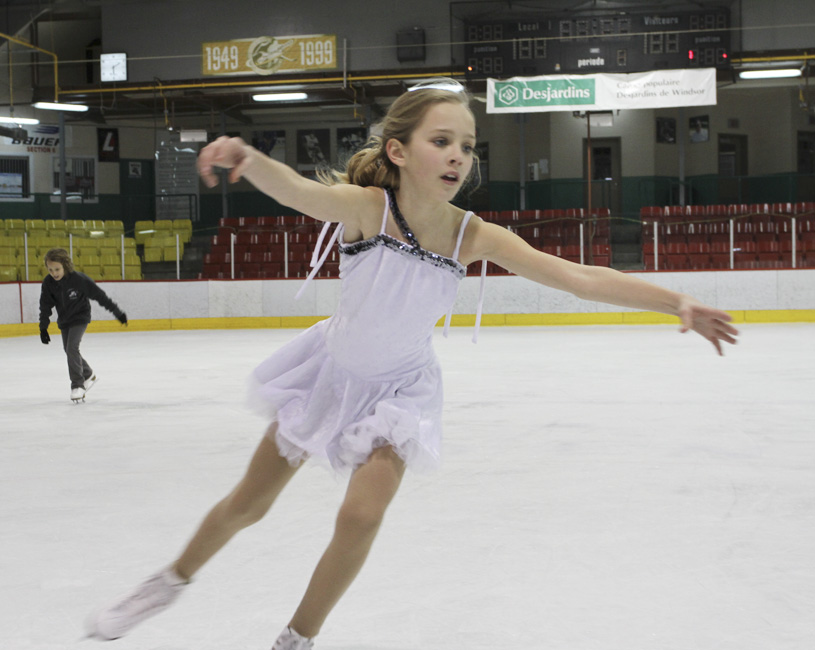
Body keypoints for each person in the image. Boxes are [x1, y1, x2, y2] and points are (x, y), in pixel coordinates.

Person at [86, 79, 739, 649]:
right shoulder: (367, 210)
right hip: (329, 374)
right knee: (246, 506)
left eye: (466, 144)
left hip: (400, 391)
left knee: (361, 515)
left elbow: (577, 277)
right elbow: (292, 192)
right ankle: (168, 582)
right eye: (441, 140)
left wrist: (673, 300)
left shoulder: (472, 234)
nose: (457, 154)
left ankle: (295, 638)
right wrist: (246, 155)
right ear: (398, 151)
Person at [38, 248, 127, 402]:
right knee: (68, 349)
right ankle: (88, 374)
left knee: (72, 348)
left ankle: (77, 385)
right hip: (65, 320)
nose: (54, 273)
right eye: (50, 270)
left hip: (80, 318)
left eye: (57, 269)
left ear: (65, 265)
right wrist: (43, 327)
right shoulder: (48, 283)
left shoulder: (78, 280)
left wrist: (117, 312)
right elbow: (45, 306)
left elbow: (100, 296)